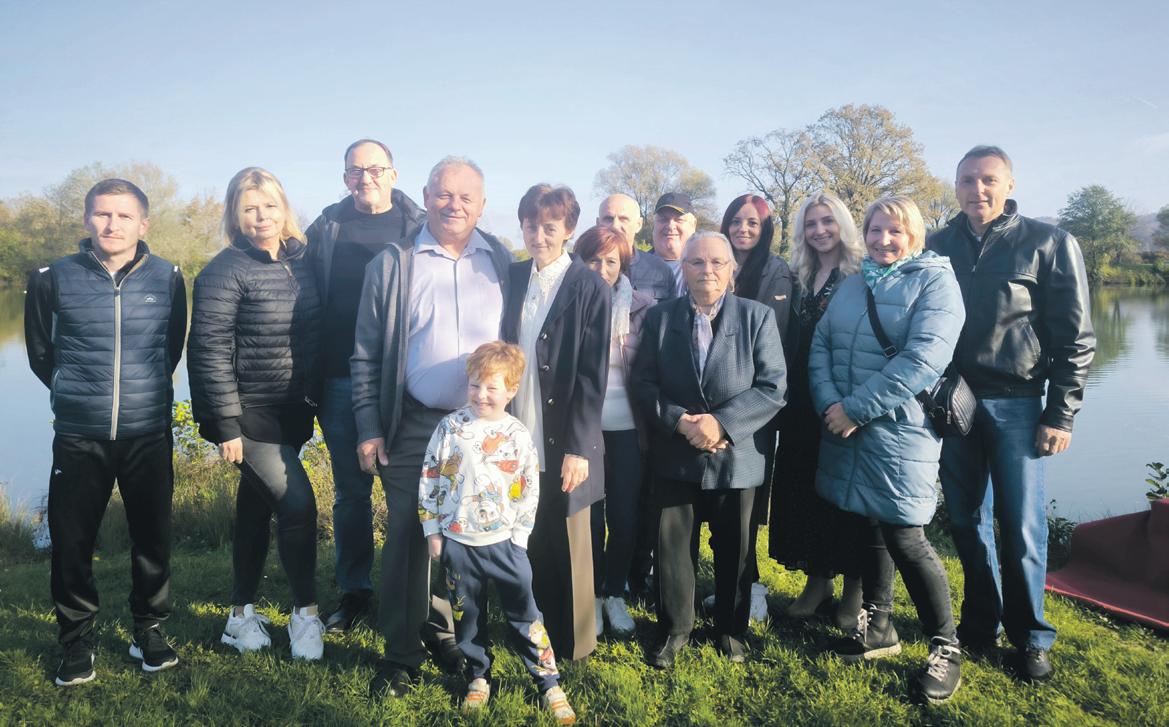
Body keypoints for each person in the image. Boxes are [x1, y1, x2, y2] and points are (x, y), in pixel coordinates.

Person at [928, 146, 1096, 682]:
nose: (977, 190)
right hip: (955, 400)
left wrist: (1061, 414)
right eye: (967, 180)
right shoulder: (936, 244)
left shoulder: (1049, 243)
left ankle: (1031, 638)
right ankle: (981, 624)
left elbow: (1076, 338)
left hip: (1019, 402)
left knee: (1021, 525)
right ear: (956, 186)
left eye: (988, 180)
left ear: (1009, 185)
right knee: (964, 521)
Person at [352, 156, 513, 698]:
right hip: (415, 423)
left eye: (466, 197)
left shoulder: (500, 260)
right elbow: (365, 353)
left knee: (465, 535)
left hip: (483, 428)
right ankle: (400, 654)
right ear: (424, 196)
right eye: (444, 194)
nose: (454, 205)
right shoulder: (393, 263)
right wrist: (369, 426)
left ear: (482, 205)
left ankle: (445, 634)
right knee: (408, 534)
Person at [26, 179, 186, 686]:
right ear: (86, 219)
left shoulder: (169, 276)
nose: (112, 224)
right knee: (72, 541)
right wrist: (74, 392)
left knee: (152, 537)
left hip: (147, 431)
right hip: (80, 433)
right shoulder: (52, 278)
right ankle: (76, 640)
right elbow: (40, 353)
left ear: (143, 223)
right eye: (102, 214)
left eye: (123, 215)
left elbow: (171, 348)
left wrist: (142, 394)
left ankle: (149, 629)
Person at [810, 196, 966, 702]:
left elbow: (923, 359)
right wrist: (831, 404)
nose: (883, 240)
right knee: (866, 523)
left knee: (905, 535)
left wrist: (855, 409)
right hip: (846, 427)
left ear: (914, 234)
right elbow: (821, 345)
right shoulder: (854, 283)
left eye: (894, 231)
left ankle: (946, 646)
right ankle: (878, 626)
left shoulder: (936, 283)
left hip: (899, 431)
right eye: (875, 230)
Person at [187, 167, 325, 661]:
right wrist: (225, 424)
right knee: (297, 505)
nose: (261, 216)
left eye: (269, 206)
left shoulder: (301, 260)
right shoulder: (224, 270)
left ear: (284, 208)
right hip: (247, 416)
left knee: (255, 508)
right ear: (235, 216)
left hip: (292, 411)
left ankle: (239, 614)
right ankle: (305, 614)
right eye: (249, 208)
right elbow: (207, 349)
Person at [633, 231, 786, 668]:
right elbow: (643, 381)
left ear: (731, 269)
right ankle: (674, 629)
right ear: (683, 269)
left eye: (718, 262)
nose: (708, 271)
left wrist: (721, 424)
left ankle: (730, 630)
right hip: (676, 452)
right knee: (672, 546)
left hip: (736, 454)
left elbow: (773, 387)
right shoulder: (661, 318)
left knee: (735, 548)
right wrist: (681, 422)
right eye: (697, 262)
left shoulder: (757, 317)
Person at [419, 342, 577, 724]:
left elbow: (530, 489)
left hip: (506, 546)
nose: (481, 395)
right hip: (458, 544)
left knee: (526, 615)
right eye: (475, 385)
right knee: (468, 618)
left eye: (492, 387)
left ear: (511, 390)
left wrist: (520, 537)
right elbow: (430, 478)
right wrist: (432, 530)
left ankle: (548, 681)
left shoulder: (517, 434)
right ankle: (478, 676)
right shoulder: (450, 428)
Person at [305, 138, 425, 633]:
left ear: (393, 174)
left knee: (413, 490)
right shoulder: (326, 227)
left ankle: (417, 586)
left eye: (375, 169)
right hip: (339, 377)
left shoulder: (418, 227)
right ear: (344, 178)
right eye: (355, 171)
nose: (365, 178)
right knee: (351, 493)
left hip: (402, 382)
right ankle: (355, 589)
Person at [501, 184, 610, 661]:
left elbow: (592, 375)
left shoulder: (589, 287)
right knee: (525, 536)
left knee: (566, 539)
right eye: (530, 226)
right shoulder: (512, 276)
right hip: (516, 427)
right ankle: (528, 630)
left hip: (565, 435)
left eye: (549, 227)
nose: (538, 236)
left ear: (569, 229)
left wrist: (578, 448)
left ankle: (573, 644)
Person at [769, 191, 866, 627]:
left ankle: (855, 590)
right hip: (799, 400)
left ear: (842, 224)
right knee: (806, 491)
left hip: (842, 397)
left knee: (846, 495)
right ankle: (817, 581)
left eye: (828, 221)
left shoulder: (861, 274)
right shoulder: (798, 275)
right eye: (811, 224)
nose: (820, 230)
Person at [701, 194, 795, 622]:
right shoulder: (711, 261)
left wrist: (732, 417)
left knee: (747, 503)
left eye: (753, 223)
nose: (743, 229)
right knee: (715, 500)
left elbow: (773, 344)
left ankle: (750, 587)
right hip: (707, 403)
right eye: (736, 221)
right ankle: (721, 583)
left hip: (752, 404)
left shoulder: (775, 272)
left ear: (765, 229)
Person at [576, 225, 654, 637]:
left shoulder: (643, 309)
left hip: (628, 428)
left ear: (623, 265)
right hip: (584, 428)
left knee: (624, 515)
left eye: (611, 261)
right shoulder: (569, 302)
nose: (602, 269)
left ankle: (614, 591)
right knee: (589, 516)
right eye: (594, 260)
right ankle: (590, 593)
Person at [597, 193, 675, 301]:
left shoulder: (660, 271)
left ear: (639, 224)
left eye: (623, 219)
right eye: (608, 219)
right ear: (598, 223)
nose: (615, 226)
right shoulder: (584, 267)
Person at [650, 193, 698, 297]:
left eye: (679, 220)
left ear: (693, 225)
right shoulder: (631, 268)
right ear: (654, 225)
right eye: (663, 219)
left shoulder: (707, 270)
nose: (670, 226)